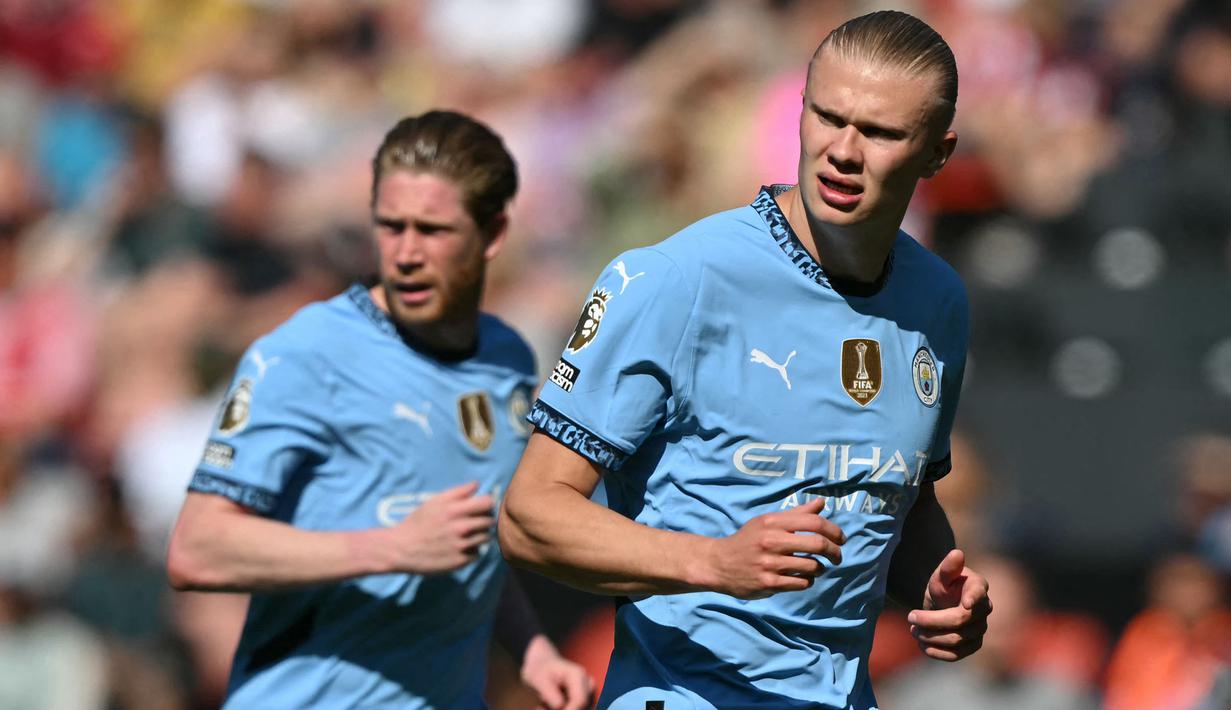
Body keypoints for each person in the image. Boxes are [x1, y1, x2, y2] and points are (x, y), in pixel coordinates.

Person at [499, 11, 992, 710]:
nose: (843, 151)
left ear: (937, 154)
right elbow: (529, 516)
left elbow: (897, 500)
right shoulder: (674, 280)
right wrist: (712, 561)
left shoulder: (937, 301)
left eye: (880, 133)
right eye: (827, 117)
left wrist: (937, 590)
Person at [166, 110, 592, 710]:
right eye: (391, 227)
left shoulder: (508, 360)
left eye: (433, 230)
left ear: (492, 234)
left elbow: (466, 547)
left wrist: (532, 650)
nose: (406, 253)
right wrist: (389, 548)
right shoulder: (307, 354)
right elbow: (197, 548)